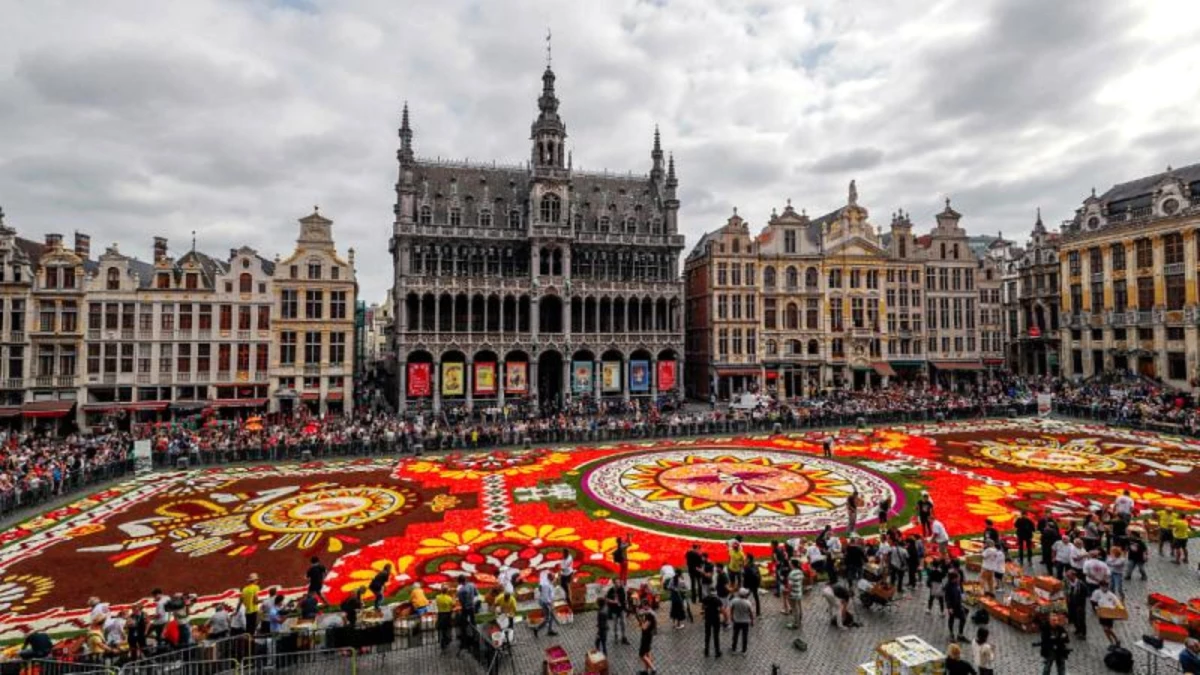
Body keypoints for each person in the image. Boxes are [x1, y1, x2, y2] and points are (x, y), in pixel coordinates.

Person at [1090, 579, 1121, 647]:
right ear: (1100, 586)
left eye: (1106, 586)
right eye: (1103, 586)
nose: (1104, 588)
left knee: (1108, 629)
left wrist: (1115, 608)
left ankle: (1116, 639)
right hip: (1102, 613)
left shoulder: (1111, 595)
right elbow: (1093, 601)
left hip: (1109, 614)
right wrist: (1096, 609)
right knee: (1105, 629)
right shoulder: (1097, 592)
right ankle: (1111, 642)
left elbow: (1117, 603)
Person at [729, 588, 754, 655]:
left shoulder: (734, 601)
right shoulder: (748, 603)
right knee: (744, 636)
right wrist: (752, 621)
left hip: (737, 621)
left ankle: (734, 649)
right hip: (745, 622)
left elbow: (731, 609)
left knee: (735, 635)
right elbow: (751, 613)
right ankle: (744, 650)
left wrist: (731, 616)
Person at [1064, 570, 1087, 639]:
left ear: (1074, 575)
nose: (1067, 577)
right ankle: (1078, 629)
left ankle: (1083, 633)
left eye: (1069, 576)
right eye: (1067, 576)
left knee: (1081, 619)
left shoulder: (1081, 584)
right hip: (1071, 604)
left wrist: (1081, 605)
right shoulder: (1068, 583)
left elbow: (1084, 594)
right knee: (1074, 618)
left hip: (1079, 605)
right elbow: (1066, 591)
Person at [605, 581, 630, 646]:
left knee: (623, 623)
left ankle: (623, 637)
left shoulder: (622, 589)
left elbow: (624, 598)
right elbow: (606, 599)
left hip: (621, 609)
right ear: (614, 584)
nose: (618, 584)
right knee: (615, 624)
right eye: (616, 583)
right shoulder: (611, 590)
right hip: (614, 610)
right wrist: (613, 601)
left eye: (619, 583)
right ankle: (616, 636)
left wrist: (621, 602)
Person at [945, 571, 967, 643]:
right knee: (951, 619)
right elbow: (947, 597)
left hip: (958, 605)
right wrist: (949, 607)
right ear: (953, 579)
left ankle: (960, 634)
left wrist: (962, 597)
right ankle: (951, 634)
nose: (959, 578)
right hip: (952, 606)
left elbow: (960, 591)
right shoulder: (948, 586)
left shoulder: (957, 584)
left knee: (963, 618)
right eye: (958, 577)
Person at [636, 609, 658, 675]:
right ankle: (646, 671)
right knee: (647, 654)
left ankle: (653, 669)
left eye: (644, 609)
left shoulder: (650, 617)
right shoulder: (649, 615)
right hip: (647, 637)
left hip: (646, 638)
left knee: (642, 654)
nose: (642, 611)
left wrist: (640, 620)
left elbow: (644, 627)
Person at [433, 585, 454, 650]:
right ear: (447, 591)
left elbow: (436, 603)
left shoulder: (437, 597)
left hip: (440, 614)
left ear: (441, 591)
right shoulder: (449, 598)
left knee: (441, 628)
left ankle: (441, 641)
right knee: (447, 628)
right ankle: (447, 640)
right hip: (448, 614)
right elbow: (453, 605)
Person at [786, 558, 804, 631]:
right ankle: (800, 618)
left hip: (793, 593)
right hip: (799, 591)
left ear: (792, 565)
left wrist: (788, 593)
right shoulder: (800, 571)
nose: (789, 564)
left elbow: (790, 585)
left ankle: (795, 624)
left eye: (790, 563)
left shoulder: (791, 573)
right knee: (799, 606)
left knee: (794, 609)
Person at [742, 552, 762, 617]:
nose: (745, 558)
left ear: (748, 559)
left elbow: (745, 576)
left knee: (744, 596)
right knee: (756, 597)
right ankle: (758, 611)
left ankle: (744, 610)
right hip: (755, 584)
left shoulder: (746, 567)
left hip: (749, 584)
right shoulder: (754, 565)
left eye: (746, 557)